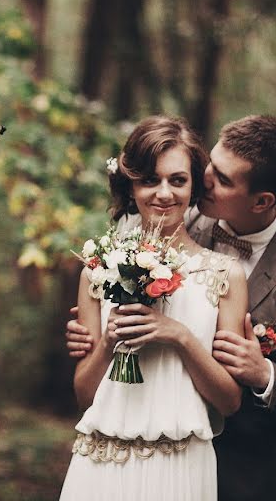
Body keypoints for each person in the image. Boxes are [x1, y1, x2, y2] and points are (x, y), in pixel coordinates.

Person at [66, 115, 276, 501]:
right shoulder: (164, 213)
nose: (206, 180)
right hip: (118, 448)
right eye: (210, 165)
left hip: (233, 466)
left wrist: (264, 374)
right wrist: (94, 333)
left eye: (223, 178)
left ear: (261, 200)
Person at [59, 116, 248, 501]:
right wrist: (110, 341)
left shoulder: (225, 274)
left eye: (177, 180)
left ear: (194, 185)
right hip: (102, 461)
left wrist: (179, 336)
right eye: (150, 180)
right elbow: (83, 396)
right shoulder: (98, 271)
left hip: (180, 464)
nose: (163, 193)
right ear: (131, 186)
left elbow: (229, 401)